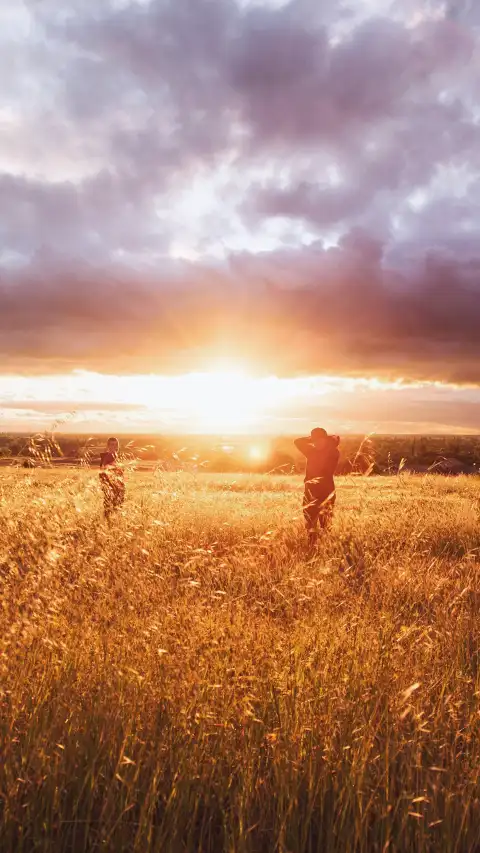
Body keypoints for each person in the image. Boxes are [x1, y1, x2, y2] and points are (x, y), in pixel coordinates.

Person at [294, 428, 340, 551]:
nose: (317, 443)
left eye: (320, 440)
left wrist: (329, 440)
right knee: (310, 522)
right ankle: (312, 548)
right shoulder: (311, 451)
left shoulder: (333, 452)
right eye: (314, 441)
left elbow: (326, 471)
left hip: (326, 492)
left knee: (325, 524)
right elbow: (297, 442)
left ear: (325, 440)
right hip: (310, 492)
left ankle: (327, 549)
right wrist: (312, 439)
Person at [99, 437, 125, 521]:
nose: (114, 446)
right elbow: (103, 471)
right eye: (112, 444)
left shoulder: (116, 456)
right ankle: (108, 524)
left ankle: (110, 523)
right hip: (111, 486)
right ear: (108, 446)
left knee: (114, 506)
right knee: (111, 506)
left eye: (116, 444)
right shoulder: (108, 456)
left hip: (117, 485)